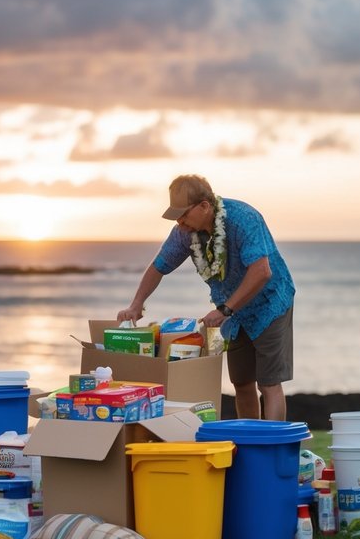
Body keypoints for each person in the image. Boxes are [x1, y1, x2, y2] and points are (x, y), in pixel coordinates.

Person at [117, 174, 296, 420]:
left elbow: (261, 272)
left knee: (268, 384)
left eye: (183, 214)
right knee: (242, 383)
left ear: (204, 206)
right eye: (176, 216)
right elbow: (159, 266)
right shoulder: (184, 232)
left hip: (269, 304)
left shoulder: (244, 219)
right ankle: (250, 444)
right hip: (234, 315)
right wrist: (136, 305)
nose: (179, 221)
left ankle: (272, 450)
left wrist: (224, 310)